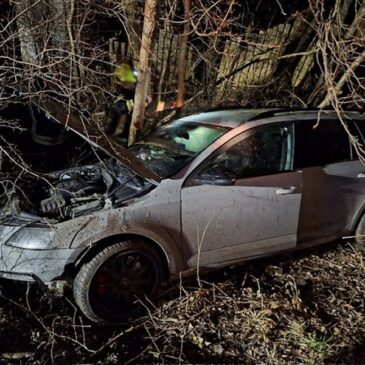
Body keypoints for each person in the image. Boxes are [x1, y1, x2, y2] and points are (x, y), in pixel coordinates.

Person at [107, 63, 137, 141]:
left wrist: (167, 105)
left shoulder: (127, 95)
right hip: (115, 137)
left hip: (120, 137)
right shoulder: (122, 97)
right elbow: (122, 108)